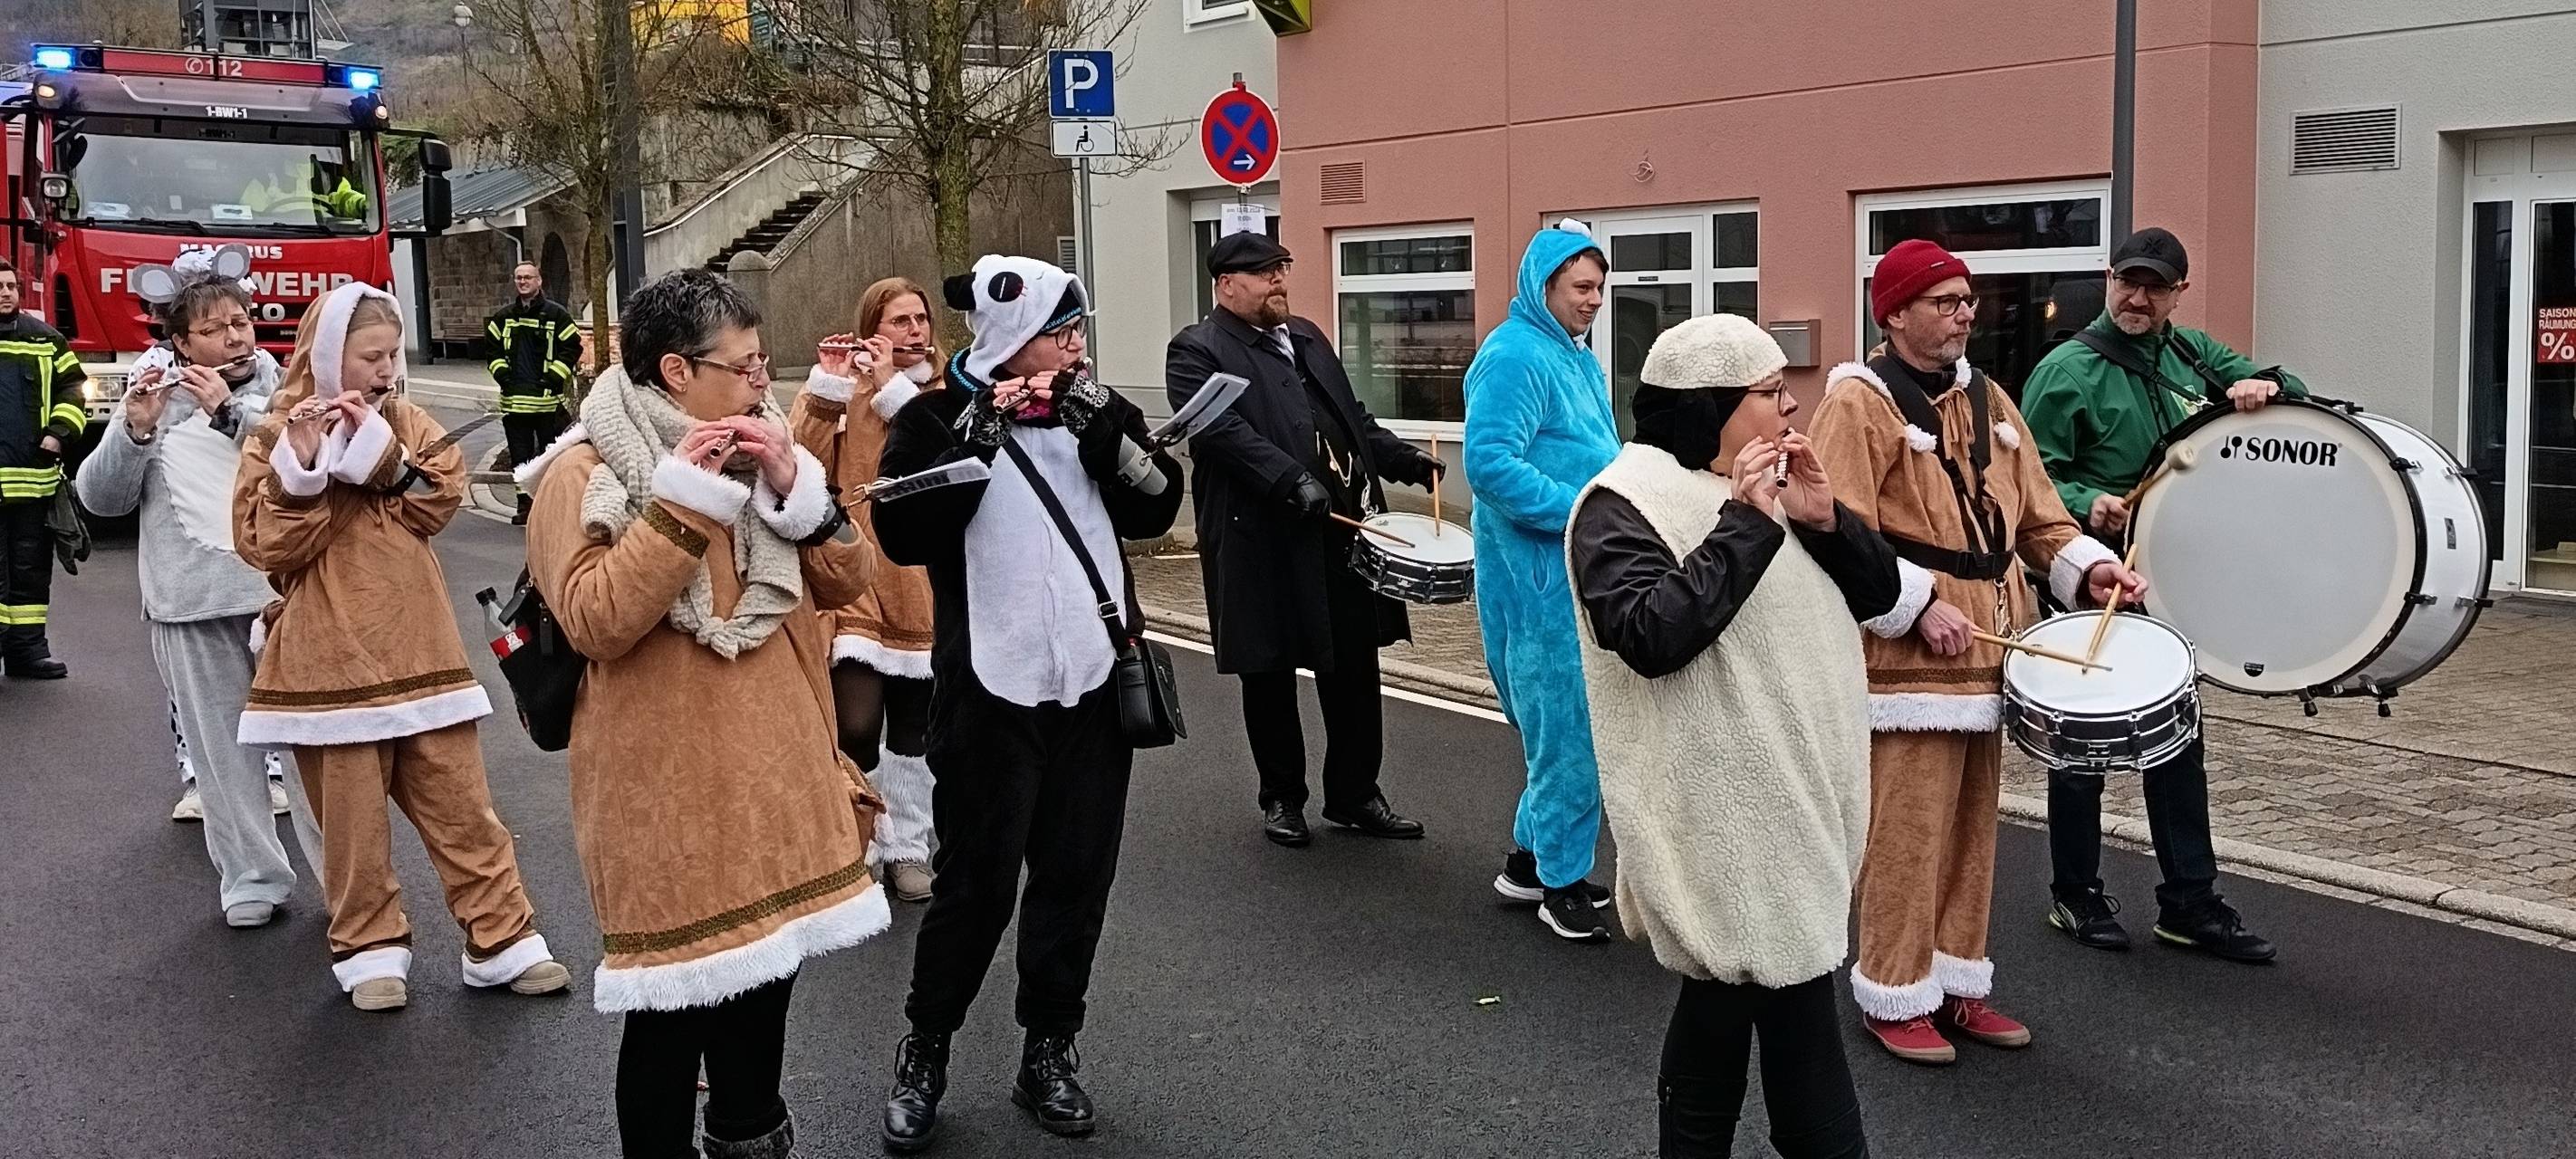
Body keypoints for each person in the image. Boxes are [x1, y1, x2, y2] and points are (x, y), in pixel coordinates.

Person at [521, 267, 889, 1159]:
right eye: (746, 364)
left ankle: (750, 1136)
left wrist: (795, 488)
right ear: (677, 371)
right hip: (666, 795)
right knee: (670, 1011)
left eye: (766, 361)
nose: (766, 382)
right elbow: (599, 618)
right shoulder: (581, 472)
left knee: (764, 989)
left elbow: (850, 577)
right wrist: (684, 500)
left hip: (779, 775)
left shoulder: (769, 448)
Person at [872, 256, 1181, 1151]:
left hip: (1091, 685)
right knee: (973, 886)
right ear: (1013, 336)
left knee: (1076, 878)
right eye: (1063, 328)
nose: (1078, 344)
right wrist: (978, 432)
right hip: (988, 692)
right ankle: (925, 1048)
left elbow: (1159, 507)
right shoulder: (933, 416)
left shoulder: (1095, 408)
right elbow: (900, 530)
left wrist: (1103, 433)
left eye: (1079, 327)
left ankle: (1049, 1049)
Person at [1807, 238, 2140, 1064]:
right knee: (1906, 832)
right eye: (1944, 301)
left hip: (1991, 651)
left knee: (1971, 831)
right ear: (1894, 315)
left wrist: (2090, 569)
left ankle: (1957, 984)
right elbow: (1834, 530)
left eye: (1967, 300)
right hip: (1907, 660)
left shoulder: (1990, 398)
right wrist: (1916, 607)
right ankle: (1891, 987)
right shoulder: (1857, 403)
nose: (1964, 314)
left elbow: (2038, 517)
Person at [1571, 315, 1889, 1159]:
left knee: (1731, 1011)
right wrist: (1747, 524)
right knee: (1788, 1014)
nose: (1792, 407)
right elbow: (1649, 635)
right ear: (1708, 406)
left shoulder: (1770, 485)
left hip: (1799, 802)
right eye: (1768, 392)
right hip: (1718, 813)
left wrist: (1825, 521)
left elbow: (1879, 595)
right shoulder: (1618, 503)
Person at [233, 282, 569, 1012]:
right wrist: (308, 468)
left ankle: (502, 938)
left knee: (463, 808)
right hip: (325, 662)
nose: (387, 371)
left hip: (423, 653)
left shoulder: (410, 423)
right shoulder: (274, 432)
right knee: (352, 830)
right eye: (370, 357)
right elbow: (263, 545)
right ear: (328, 358)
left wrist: (382, 459)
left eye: (391, 355)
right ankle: (369, 947)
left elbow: (436, 505)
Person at [2017, 226, 2293, 963]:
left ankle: (2189, 903)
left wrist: (2260, 387)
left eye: (2155, 286)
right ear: (2110, 280)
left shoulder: (2194, 355)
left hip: (2170, 589)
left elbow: (2290, 390)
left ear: (2178, 293)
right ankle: (2074, 895)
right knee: (2082, 746)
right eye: (2128, 282)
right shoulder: (2066, 370)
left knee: (2178, 746)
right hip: (2090, 580)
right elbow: (2027, 485)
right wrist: (2089, 500)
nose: (2138, 297)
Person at [1165, 231, 1440, 847]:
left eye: (1281, 270)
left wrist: (1401, 459)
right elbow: (1220, 432)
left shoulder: (1309, 337)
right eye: (1263, 274)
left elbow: (1350, 417)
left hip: (1339, 530)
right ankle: (1283, 798)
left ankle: (1354, 794)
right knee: (1268, 668)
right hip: (1259, 537)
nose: (1278, 282)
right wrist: (1288, 479)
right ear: (1226, 285)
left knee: (1353, 664)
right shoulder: (1197, 350)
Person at [75, 263, 322, 928]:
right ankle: (252, 877)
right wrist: (133, 429)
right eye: (213, 330)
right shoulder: (153, 395)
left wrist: (227, 413)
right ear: (182, 343)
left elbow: (305, 472)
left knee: (315, 751)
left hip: (280, 600)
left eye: (241, 322)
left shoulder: (286, 391)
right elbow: (100, 499)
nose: (235, 338)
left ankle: (349, 884)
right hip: (190, 604)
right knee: (221, 753)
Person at [1462, 223, 1623, 942]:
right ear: (1544, 285)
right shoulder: (1516, 355)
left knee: (1569, 727)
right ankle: (1562, 884)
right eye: (1581, 288)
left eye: (1599, 288)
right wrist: (1581, 513)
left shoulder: (1572, 355)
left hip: (1577, 570)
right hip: (1538, 581)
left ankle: (1530, 862)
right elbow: (1490, 465)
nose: (1593, 301)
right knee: (1571, 732)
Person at [792, 277, 945, 904]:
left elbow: (941, 454)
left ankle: (909, 844)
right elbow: (798, 462)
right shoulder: (841, 388)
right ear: (871, 329)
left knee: (915, 725)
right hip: (854, 573)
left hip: (924, 578)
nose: (914, 330)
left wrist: (893, 390)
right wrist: (828, 388)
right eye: (899, 321)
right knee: (856, 722)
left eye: (921, 318)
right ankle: (863, 839)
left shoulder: (943, 390)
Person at [0, 258, 85, 679]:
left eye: (11, 286)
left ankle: (27, 651)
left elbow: (74, 388)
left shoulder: (46, 340)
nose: (6, 293)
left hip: (33, 482)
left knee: (30, 574)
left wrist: (59, 432)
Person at [486, 262, 583, 523]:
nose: (523, 282)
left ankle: (548, 505)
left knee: (548, 457)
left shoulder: (557, 315)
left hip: (546, 404)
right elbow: (492, 351)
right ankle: (525, 507)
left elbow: (573, 347)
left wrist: (554, 376)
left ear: (539, 281)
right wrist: (503, 375)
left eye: (528, 277)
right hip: (514, 404)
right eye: (518, 278)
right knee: (521, 458)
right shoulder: (503, 317)